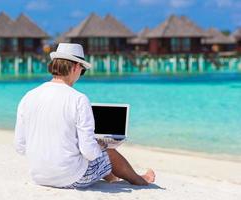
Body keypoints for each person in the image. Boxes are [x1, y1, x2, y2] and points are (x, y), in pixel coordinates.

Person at [14, 43, 155, 189]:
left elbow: (20, 146)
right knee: (108, 152)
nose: (80, 75)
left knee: (89, 151)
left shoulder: (28, 96)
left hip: (38, 176)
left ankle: (113, 177)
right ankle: (140, 180)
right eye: (82, 70)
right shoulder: (78, 99)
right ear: (75, 67)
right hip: (70, 178)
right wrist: (101, 146)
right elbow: (88, 151)